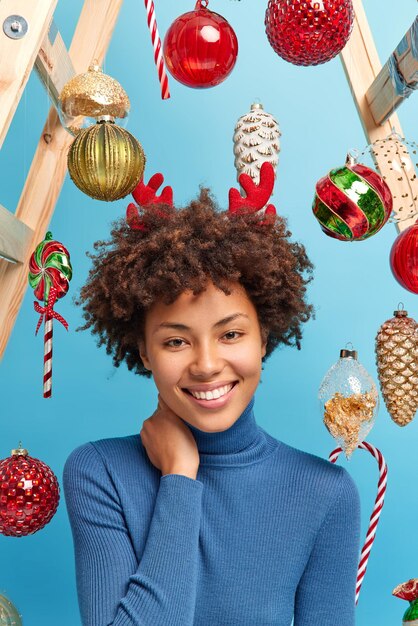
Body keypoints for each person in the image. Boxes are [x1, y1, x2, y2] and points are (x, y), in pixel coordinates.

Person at [63, 163, 361, 626]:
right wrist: (180, 478)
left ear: (264, 338)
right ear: (143, 350)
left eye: (231, 334)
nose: (205, 365)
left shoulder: (326, 493)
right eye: (176, 341)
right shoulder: (99, 473)